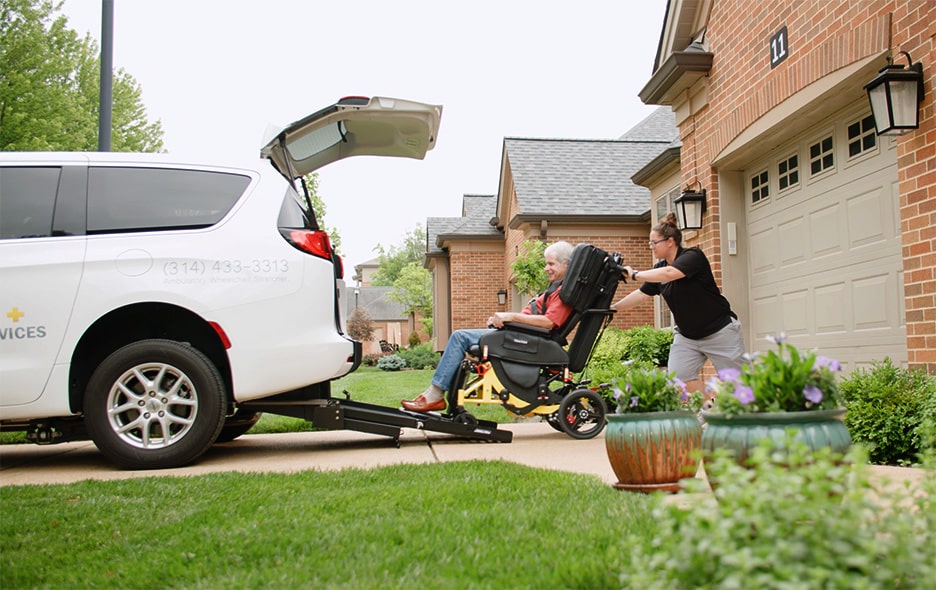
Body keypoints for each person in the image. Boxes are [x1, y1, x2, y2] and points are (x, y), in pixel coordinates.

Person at [401, 241, 575, 412]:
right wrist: (503, 320)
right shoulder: (557, 288)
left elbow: (549, 322)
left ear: (566, 265)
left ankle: (435, 395)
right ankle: (437, 395)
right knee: (462, 337)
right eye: (546, 264)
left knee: (460, 337)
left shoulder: (563, 293)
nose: (546, 268)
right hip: (519, 334)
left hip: (527, 340)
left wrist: (510, 317)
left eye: (551, 264)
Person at [611, 212, 745, 398]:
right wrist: (612, 308)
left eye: (653, 242)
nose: (651, 247)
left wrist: (634, 274)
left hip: (720, 332)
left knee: (738, 384)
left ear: (670, 241)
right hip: (687, 338)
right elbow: (641, 294)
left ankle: (752, 419)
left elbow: (670, 274)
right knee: (679, 378)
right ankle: (710, 409)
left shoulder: (693, 256)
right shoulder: (659, 268)